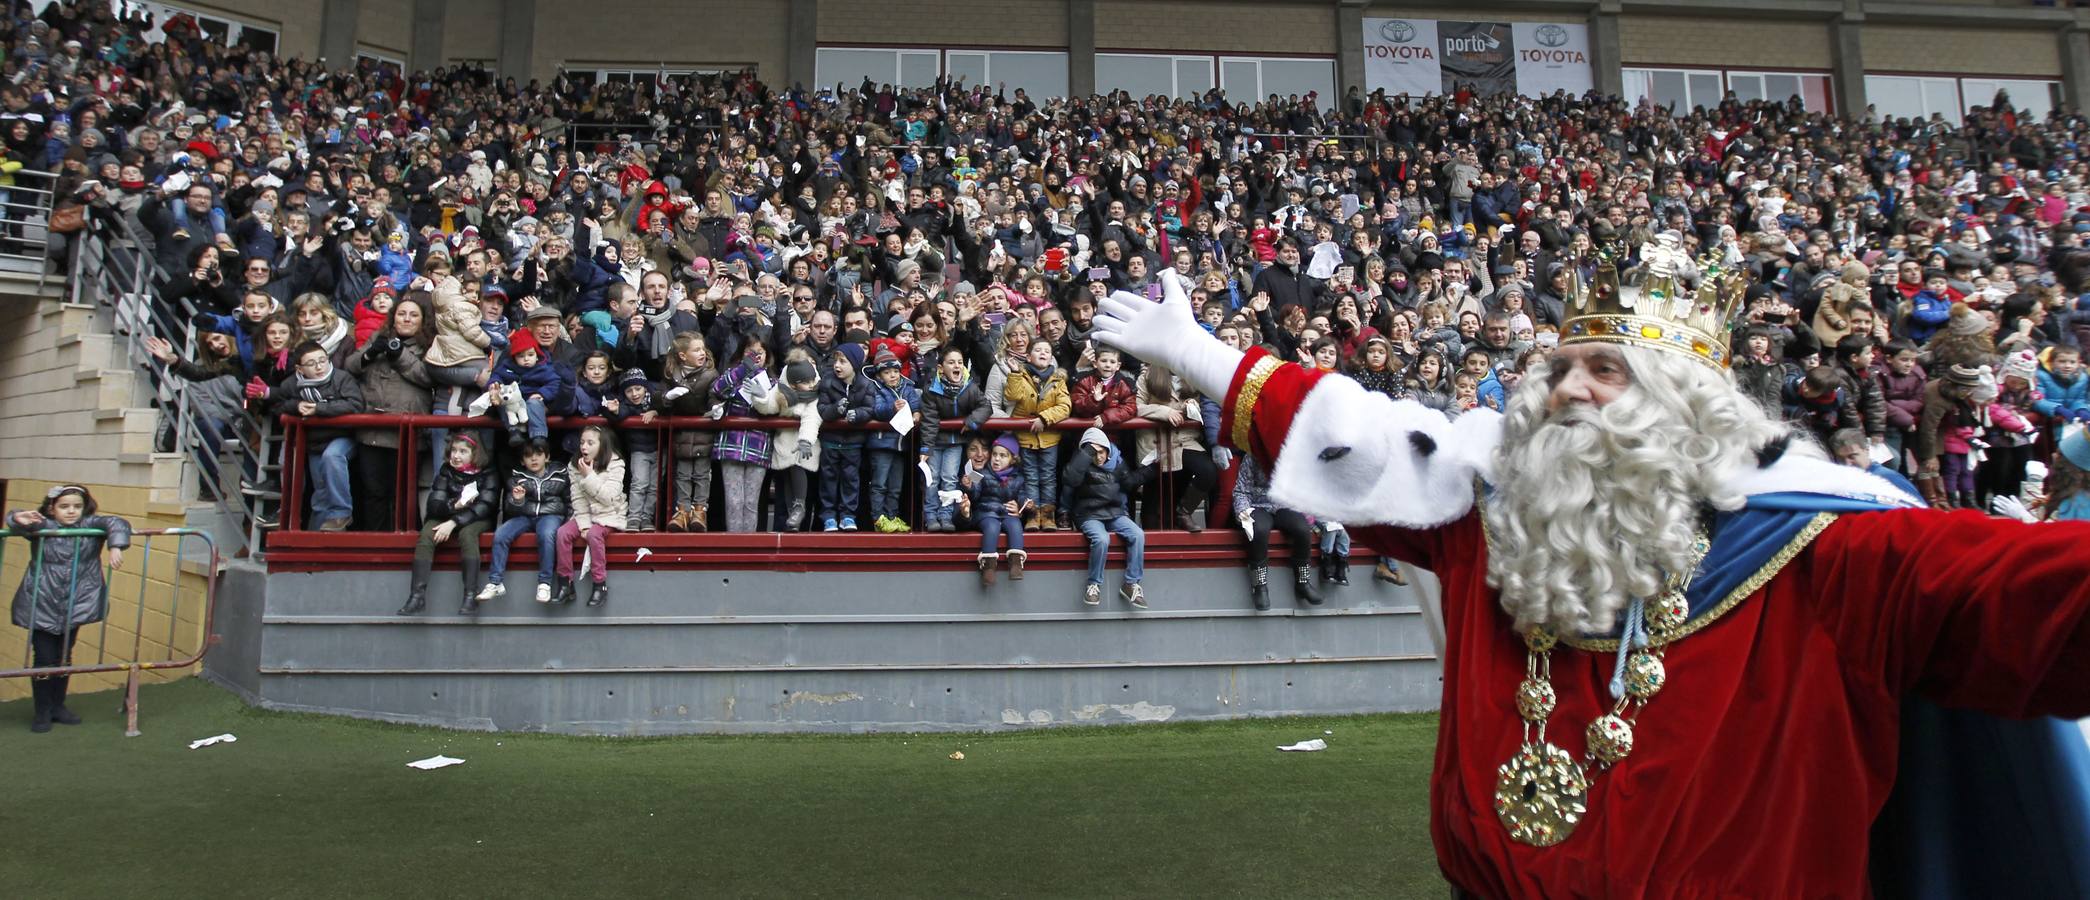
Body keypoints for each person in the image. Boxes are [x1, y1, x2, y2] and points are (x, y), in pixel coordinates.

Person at [1093, 261, 2090, 897]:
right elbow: (1352, 436)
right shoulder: (1484, 516)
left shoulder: (1832, 554)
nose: (1565, 386)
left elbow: (2032, 598)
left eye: (1605, 369)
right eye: (1559, 365)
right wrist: (1196, 353)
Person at [8, 486, 130, 733]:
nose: (72, 511)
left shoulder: (91, 524)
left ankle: (58, 706)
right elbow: (18, 521)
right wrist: (15, 517)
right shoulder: (43, 525)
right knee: (43, 658)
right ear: (52, 508)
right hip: (42, 601)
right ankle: (42, 711)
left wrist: (115, 546)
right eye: (64, 506)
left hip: (75, 602)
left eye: (77, 506)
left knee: (64, 656)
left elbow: (116, 522)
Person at [254, 340, 364, 531]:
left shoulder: (341, 378)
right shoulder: (291, 384)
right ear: (300, 368)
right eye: (312, 364)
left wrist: (319, 408)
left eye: (323, 360)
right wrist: (296, 406)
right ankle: (316, 534)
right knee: (321, 490)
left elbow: (355, 405)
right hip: (314, 442)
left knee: (333, 457)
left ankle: (341, 513)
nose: (320, 367)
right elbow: (278, 405)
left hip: (343, 436)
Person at [399, 434, 497, 615]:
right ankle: (417, 596)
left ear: (475, 454)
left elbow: (485, 507)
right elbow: (434, 504)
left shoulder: (488, 472)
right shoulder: (446, 470)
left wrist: (453, 522)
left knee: (467, 535)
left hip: (476, 519)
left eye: (463, 451)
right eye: (454, 450)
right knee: (427, 534)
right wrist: (454, 506)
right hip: (447, 513)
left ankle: (470, 594)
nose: (456, 456)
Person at [1061, 427, 1155, 608]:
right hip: (1088, 514)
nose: (1099, 457)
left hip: (1114, 512)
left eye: (1102, 452)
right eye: (1094, 453)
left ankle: (1131, 583)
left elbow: (1129, 482)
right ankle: (1093, 584)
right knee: (1101, 539)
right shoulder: (1080, 464)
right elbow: (1070, 478)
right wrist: (1087, 451)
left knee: (1138, 534)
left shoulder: (1117, 461)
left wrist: (1152, 469)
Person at [479, 440, 569, 605]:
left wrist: (568, 522)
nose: (534, 459)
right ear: (522, 461)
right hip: (525, 515)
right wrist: (517, 500)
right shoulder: (517, 477)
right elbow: (509, 507)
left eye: (538, 455)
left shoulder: (560, 474)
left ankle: (545, 582)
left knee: (546, 535)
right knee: (501, 534)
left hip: (551, 514)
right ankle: (495, 582)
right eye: (528, 456)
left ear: (547, 457)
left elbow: (569, 501)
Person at [917, 347, 991, 532]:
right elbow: (930, 421)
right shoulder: (932, 390)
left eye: (959, 362)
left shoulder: (970, 387)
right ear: (941, 368)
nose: (957, 365)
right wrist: (926, 449)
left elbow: (985, 406)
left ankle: (946, 516)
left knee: (949, 478)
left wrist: (972, 421)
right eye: (951, 362)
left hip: (956, 442)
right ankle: (931, 516)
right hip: (935, 442)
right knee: (932, 479)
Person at [1003, 339, 1070, 531]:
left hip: (1049, 438)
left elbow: (1065, 407)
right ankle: (1032, 515)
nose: (1043, 353)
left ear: (1051, 357)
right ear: (1028, 356)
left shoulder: (1058, 380)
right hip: (1026, 438)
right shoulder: (1020, 375)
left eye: (1047, 351)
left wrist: (1044, 418)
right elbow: (1012, 396)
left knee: (1048, 477)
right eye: (1038, 350)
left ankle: (1048, 516)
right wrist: (1014, 373)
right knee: (1030, 477)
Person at [558, 424, 626, 607]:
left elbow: (608, 498)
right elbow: (578, 499)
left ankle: (599, 585)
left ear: (602, 445)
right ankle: (566, 583)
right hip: (585, 515)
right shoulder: (574, 465)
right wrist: (583, 525)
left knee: (595, 535)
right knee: (563, 533)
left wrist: (588, 476)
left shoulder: (616, 464)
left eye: (590, 443)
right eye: (582, 443)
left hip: (610, 514)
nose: (584, 447)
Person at [710, 340, 774, 533]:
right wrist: (742, 369)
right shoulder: (732, 376)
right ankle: (734, 543)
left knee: (751, 501)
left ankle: (749, 545)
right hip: (731, 446)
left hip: (758, 447)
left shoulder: (773, 382)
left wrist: (764, 397)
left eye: (760, 353)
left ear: (767, 357)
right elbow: (718, 389)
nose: (756, 357)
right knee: (734, 500)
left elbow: (777, 407)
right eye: (750, 352)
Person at [661, 332, 718, 532]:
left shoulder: (710, 374)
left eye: (703, 349)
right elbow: (659, 398)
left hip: (703, 434)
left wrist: (717, 407)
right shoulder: (671, 374)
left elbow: (713, 395)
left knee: (702, 474)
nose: (702, 353)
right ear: (683, 355)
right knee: (683, 474)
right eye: (696, 350)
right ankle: (682, 511)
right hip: (682, 434)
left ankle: (700, 511)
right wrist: (666, 397)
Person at [864, 347, 923, 532]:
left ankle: (892, 516)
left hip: (900, 445)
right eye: (887, 372)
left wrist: (917, 413)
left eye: (895, 371)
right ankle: (878, 519)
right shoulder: (875, 389)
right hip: (881, 444)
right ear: (879, 375)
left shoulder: (907, 386)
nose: (893, 375)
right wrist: (892, 408)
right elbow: (876, 410)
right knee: (880, 484)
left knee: (895, 486)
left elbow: (915, 402)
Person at [817, 343, 874, 531]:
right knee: (828, 480)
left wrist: (857, 415)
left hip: (853, 444)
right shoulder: (827, 382)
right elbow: (823, 409)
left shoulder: (866, 385)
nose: (837, 366)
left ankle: (848, 515)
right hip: (830, 442)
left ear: (855, 364)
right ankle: (829, 517)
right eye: (836, 361)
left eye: (843, 361)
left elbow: (869, 408)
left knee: (851, 480)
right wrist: (836, 410)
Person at [605, 369, 665, 532]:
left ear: (645, 387)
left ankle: (647, 517)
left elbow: (668, 407)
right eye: (629, 390)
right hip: (639, 449)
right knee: (639, 483)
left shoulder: (656, 398)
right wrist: (615, 411)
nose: (634, 394)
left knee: (654, 486)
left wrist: (655, 412)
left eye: (638, 388)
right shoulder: (626, 404)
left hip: (660, 449)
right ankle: (634, 517)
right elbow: (622, 412)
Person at [970, 434, 1028, 587]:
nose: (996, 459)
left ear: (1013, 459)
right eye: (994, 454)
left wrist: (1023, 506)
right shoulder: (980, 472)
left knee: (1015, 526)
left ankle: (1016, 563)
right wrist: (969, 485)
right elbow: (974, 495)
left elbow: (1022, 495)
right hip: (986, 512)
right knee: (992, 527)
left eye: (1003, 456)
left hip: (1007, 512)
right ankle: (988, 567)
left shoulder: (1018, 478)